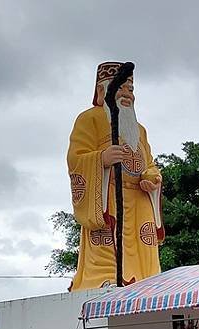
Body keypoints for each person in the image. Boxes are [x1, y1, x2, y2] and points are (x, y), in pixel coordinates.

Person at [67, 62, 164, 291]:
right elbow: (76, 158)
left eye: (131, 89)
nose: (127, 94)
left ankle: (147, 280)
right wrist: (101, 159)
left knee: (145, 245)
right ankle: (103, 277)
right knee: (105, 242)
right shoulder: (89, 118)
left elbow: (149, 162)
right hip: (105, 193)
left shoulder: (139, 129)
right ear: (102, 91)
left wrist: (152, 177)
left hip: (139, 199)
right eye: (120, 87)